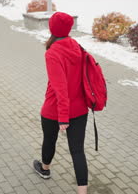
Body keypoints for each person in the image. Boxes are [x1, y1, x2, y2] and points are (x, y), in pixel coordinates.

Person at [33, 12, 89, 194]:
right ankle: (83, 192)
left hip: (55, 109)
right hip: (80, 108)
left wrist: (63, 117)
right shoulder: (76, 46)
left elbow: (60, 88)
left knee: (49, 140)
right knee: (78, 151)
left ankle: (45, 169)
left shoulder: (53, 53)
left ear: (52, 29)